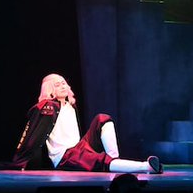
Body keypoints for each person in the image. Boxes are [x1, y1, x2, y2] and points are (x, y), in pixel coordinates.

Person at [11, 74, 163, 174]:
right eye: (57, 85)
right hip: (65, 156)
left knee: (102, 118)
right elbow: (33, 132)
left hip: (79, 148)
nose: (63, 86)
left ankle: (114, 159)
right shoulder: (48, 107)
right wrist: (21, 161)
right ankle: (145, 166)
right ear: (50, 90)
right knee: (99, 161)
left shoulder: (71, 107)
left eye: (64, 83)